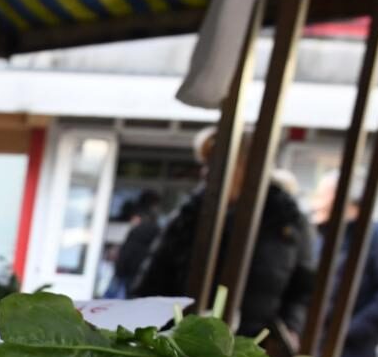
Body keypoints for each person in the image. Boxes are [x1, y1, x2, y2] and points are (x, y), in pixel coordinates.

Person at [133, 128, 315, 346]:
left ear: (249, 165)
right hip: (181, 345)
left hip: (252, 348)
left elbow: (303, 289)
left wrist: (289, 328)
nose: (207, 172)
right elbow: (151, 282)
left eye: (216, 162)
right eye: (206, 164)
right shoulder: (188, 216)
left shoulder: (288, 221)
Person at [309, 170, 378, 357]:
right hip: (313, 347)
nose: (316, 202)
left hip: (350, 356)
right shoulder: (322, 235)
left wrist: (349, 330)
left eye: (322, 195)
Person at [109, 190, 162, 297]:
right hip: (138, 273)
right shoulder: (155, 228)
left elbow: (127, 251)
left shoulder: (138, 229)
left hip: (128, 271)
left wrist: (119, 270)